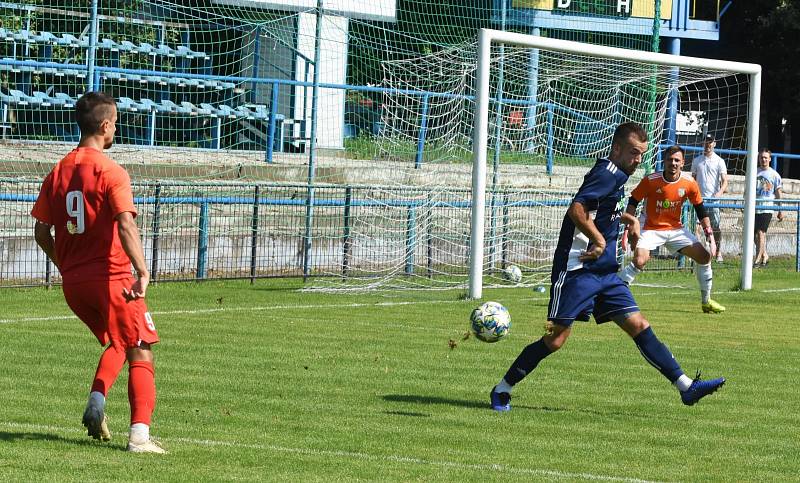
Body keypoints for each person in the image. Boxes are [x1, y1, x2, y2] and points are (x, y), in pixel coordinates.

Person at [489, 122, 725, 412]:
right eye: (633, 153)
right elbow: (577, 209)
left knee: (639, 325)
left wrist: (631, 221)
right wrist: (599, 240)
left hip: (605, 274)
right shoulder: (606, 173)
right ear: (616, 149)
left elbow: (603, 212)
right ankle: (502, 389)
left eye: (641, 154)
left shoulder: (617, 175)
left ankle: (686, 387)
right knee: (556, 339)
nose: (637, 160)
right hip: (578, 270)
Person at [30, 91, 165, 453]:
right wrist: (142, 270)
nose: (116, 128)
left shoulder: (58, 170)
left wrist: (66, 266)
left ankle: (98, 401)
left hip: (75, 285)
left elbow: (41, 231)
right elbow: (125, 223)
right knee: (141, 346)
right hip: (113, 278)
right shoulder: (111, 171)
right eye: (116, 122)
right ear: (105, 126)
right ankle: (139, 435)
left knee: (119, 341)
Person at [618, 145, 726, 313]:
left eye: (677, 160)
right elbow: (633, 201)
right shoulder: (651, 180)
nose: (673, 163)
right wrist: (627, 229)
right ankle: (614, 295)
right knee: (640, 260)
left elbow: (700, 209)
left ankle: (706, 302)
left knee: (704, 257)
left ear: (683, 163)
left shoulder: (689, 183)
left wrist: (709, 236)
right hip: (650, 228)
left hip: (676, 230)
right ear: (664, 161)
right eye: (670, 160)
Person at [691, 134, 728, 262]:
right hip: (699, 200)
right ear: (703, 143)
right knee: (695, 227)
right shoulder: (697, 161)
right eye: (706, 141)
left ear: (714, 143)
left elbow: (725, 181)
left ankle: (718, 252)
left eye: (710, 142)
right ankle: (699, 252)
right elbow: (693, 180)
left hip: (713, 200)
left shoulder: (719, 161)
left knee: (716, 227)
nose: (708, 144)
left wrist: (720, 192)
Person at [754, 148, 783, 267]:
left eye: (766, 157)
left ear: (770, 159)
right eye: (761, 157)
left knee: (761, 232)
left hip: (767, 208)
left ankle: (757, 260)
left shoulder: (774, 175)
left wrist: (780, 209)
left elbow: (778, 193)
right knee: (754, 234)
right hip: (755, 207)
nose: (763, 159)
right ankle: (765, 254)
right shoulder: (754, 172)